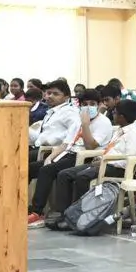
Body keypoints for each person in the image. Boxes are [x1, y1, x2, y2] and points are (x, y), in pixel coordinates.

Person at [27, 88, 113, 227]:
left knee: (47, 171)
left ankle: (38, 212)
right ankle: (24, 204)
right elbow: (66, 143)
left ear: (98, 105)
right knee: (32, 168)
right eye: (85, 104)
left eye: (92, 104)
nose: (88, 107)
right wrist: (51, 157)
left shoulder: (103, 122)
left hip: (85, 157)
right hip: (68, 153)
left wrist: (85, 125)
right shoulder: (78, 120)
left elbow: (90, 146)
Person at [52, 99, 136, 217]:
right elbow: (110, 150)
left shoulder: (133, 134)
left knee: (82, 177)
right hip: (104, 164)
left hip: (116, 169)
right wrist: (101, 158)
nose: (113, 115)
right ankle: (63, 214)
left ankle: (79, 216)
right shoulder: (119, 131)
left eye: (115, 113)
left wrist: (105, 161)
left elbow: (128, 160)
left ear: (122, 116)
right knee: (64, 174)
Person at [28, 79, 80, 149]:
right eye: (49, 93)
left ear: (66, 98)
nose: (50, 96)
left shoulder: (69, 111)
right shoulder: (52, 112)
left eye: (55, 94)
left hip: (53, 151)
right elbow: (41, 137)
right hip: (39, 147)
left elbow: (75, 132)